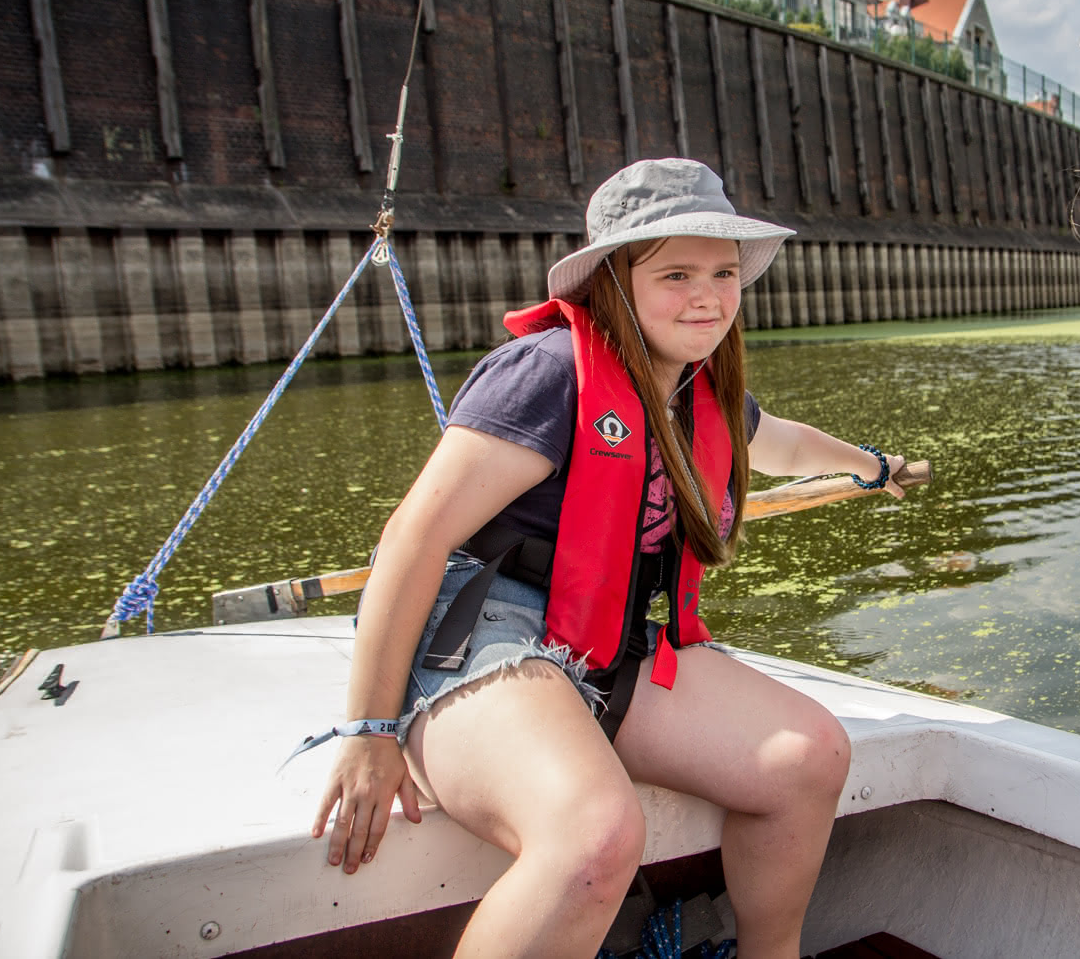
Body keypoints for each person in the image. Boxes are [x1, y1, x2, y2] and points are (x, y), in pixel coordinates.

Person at [307, 157, 905, 959]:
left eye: (725, 272)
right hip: (475, 637)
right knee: (595, 836)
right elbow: (412, 537)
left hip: (595, 644)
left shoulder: (696, 387)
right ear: (613, 282)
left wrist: (872, 465)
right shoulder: (547, 374)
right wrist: (370, 731)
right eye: (676, 274)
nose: (707, 296)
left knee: (809, 756)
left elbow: (785, 441)